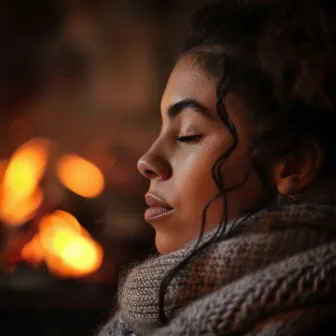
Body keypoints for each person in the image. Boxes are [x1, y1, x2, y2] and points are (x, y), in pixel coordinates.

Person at [98, 0, 336, 335]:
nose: (147, 162)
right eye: (161, 129)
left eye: (188, 134)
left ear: (292, 166)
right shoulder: (139, 321)